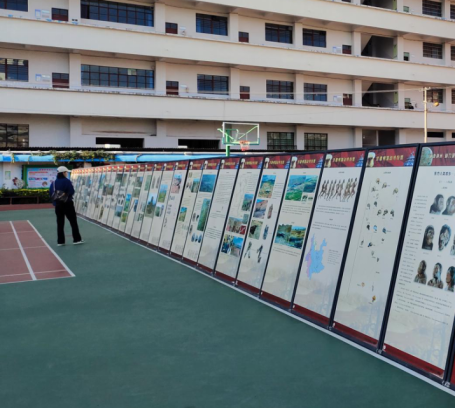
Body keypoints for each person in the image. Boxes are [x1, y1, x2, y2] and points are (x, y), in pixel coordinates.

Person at [50, 167, 84, 247]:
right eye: (66, 172)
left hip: (58, 205)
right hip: (68, 203)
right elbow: (71, 191)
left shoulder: (53, 183)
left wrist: (55, 203)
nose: (66, 173)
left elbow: (51, 193)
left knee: (60, 223)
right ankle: (77, 239)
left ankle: (60, 241)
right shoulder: (67, 181)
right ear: (63, 173)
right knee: (73, 222)